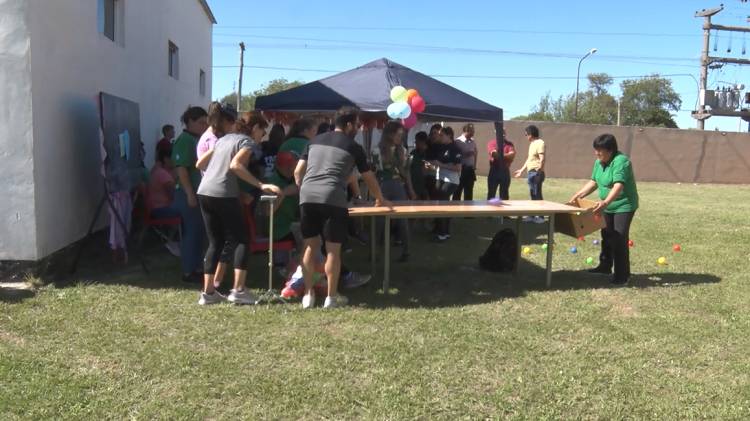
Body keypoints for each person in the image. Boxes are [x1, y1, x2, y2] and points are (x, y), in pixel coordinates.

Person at [294, 106, 390, 309]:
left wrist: (306, 189)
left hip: (307, 197)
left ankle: (308, 295)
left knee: (309, 246)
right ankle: (331, 297)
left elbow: (297, 172)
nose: (358, 128)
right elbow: (368, 176)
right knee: (332, 251)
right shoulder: (353, 146)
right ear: (348, 125)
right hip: (332, 198)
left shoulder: (314, 141)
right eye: (356, 124)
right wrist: (380, 198)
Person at [195, 103, 282, 305]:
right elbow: (236, 166)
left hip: (204, 192)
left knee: (215, 242)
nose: (263, 136)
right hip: (223, 194)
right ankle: (239, 290)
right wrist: (261, 185)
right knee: (242, 239)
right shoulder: (247, 142)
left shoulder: (221, 140)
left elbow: (199, 164)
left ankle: (208, 294)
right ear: (255, 129)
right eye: (262, 131)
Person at [568, 134, 639, 285]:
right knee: (606, 234)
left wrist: (605, 202)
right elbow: (593, 181)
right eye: (596, 150)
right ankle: (605, 266)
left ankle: (623, 275)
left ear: (610, 150)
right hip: (606, 206)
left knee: (619, 237)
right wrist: (578, 195)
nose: (596, 153)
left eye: (600, 150)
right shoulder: (599, 162)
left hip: (623, 205)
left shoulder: (621, 161)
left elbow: (618, 185)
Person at [171, 106, 208, 283]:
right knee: (192, 232)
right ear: (190, 121)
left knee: (200, 232)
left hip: (197, 193)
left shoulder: (197, 139)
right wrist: (190, 194)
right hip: (187, 194)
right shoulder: (185, 140)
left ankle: (198, 267)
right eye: (201, 122)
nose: (204, 126)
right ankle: (188, 271)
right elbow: (181, 169)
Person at [371, 121, 415, 262]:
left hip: (397, 186)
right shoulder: (377, 150)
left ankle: (407, 252)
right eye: (398, 134)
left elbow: (406, 172)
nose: (400, 137)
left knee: (402, 220)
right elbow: (372, 172)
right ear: (389, 134)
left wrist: (411, 190)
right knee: (378, 222)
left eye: (402, 135)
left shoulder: (402, 150)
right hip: (382, 186)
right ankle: (374, 252)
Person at [425, 126, 462, 242]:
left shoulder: (455, 149)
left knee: (442, 205)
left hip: (451, 181)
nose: (439, 137)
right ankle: (440, 229)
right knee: (438, 204)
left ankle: (443, 233)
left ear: (449, 136)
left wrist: (440, 165)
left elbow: (457, 168)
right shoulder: (441, 147)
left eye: (442, 135)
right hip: (440, 178)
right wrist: (432, 165)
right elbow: (438, 163)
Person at [513, 124, 546, 223]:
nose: (526, 136)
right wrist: (521, 170)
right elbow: (529, 159)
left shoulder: (540, 143)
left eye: (526, 134)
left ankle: (541, 217)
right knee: (533, 194)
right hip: (530, 172)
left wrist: (539, 172)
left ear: (531, 134)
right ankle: (532, 216)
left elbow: (542, 159)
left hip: (536, 172)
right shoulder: (532, 144)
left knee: (537, 194)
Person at [487, 129, 516, 200]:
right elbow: (494, 154)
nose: (502, 134)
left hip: (505, 171)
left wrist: (500, 156)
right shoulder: (492, 143)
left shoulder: (509, 144)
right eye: (500, 133)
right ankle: (490, 210)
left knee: (504, 195)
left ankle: (503, 211)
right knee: (491, 194)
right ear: (496, 134)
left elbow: (512, 155)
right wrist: (506, 156)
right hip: (494, 171)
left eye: (503, 133)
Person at [452, 123, 478, 201]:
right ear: (466, 131)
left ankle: (468, 209)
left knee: (469, 191)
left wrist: (474, 165)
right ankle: (455, 209)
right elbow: (455, 155)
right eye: (472, 131)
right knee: (458, 191)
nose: (473, 133)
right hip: (461, 169)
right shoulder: (457, 141)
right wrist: (465, 154)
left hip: (470, 170)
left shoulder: (472, 142)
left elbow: (476, 153)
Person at [409, 131, 429, 200]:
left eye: (417, 141)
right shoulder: (413, 153)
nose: (415, 143)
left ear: (423, 141)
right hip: (414, 183)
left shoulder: (429, 153)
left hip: (425, 184)